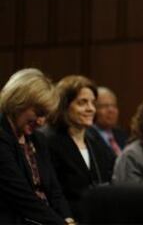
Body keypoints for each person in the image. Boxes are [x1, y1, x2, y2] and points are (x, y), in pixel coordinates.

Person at [0, 68, 75, 224]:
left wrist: (68, 218)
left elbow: (54, 189)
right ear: (18, 101)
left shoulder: (38, 139)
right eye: (39, 112)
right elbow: (21, 196)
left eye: (45, 115)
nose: (41, 122)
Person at [43, 75, 114, 221]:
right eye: (82, 103)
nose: (91, 109)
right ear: (64, 105)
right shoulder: (49, 140)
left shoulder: (95, 140)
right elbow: (52, 191)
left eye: (93, 103)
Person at [88, 87, 128, 159]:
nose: (111, 110)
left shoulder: (122, 134)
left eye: (114, 106)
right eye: (104, 106)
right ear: (93, 109)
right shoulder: (88, 136)